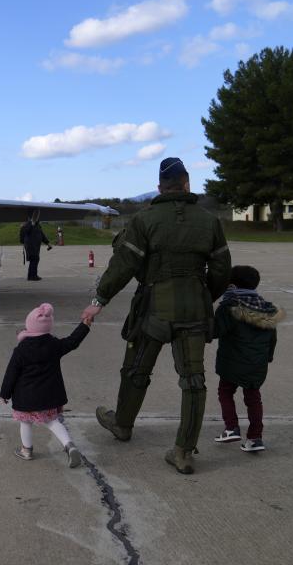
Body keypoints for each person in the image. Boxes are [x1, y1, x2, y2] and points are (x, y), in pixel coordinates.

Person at [81, 157, 231, 474]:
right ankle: (183, 451)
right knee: (194, 381)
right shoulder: (209, 221)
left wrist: (99, 299)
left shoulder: (145, 219)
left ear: (160, 187)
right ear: (187, 183)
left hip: (154, 308)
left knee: (136, 368)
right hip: (194, 308)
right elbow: (221, 271)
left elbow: (123, 265)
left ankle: (122, 424)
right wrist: (204, 297)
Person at [0, 302, 91, 468]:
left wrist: (5, 393)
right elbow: (72, 341)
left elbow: (11, 373)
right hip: (49, 396)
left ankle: (26, 451)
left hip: (26, 397)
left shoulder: (21, 349)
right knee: (52, 421)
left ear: (29, 326)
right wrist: (84, 326)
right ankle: (69, 445)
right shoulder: (54, 345)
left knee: (26, 423)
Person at [213, 265, 284, 452]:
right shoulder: (267, 308)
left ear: (232, 285)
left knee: (225, 391)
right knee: (253, 398)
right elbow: (272, 338)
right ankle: (255, 438)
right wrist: (267, 357)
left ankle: (231, 427)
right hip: (257, 365)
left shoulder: (229, 307)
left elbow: (214, 331)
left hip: (232, 363)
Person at [19, 210, 52, 281]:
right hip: (30, 246)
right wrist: (31, 224)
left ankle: (31, 276)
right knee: (34, 259)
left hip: (36, 246)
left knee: (34, 260)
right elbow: (26, 231)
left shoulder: (37, 225)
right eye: (36, 217)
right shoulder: (28, 224)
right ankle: (33, 276)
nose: (37, 218)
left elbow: (42, 235)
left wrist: (48, 243)